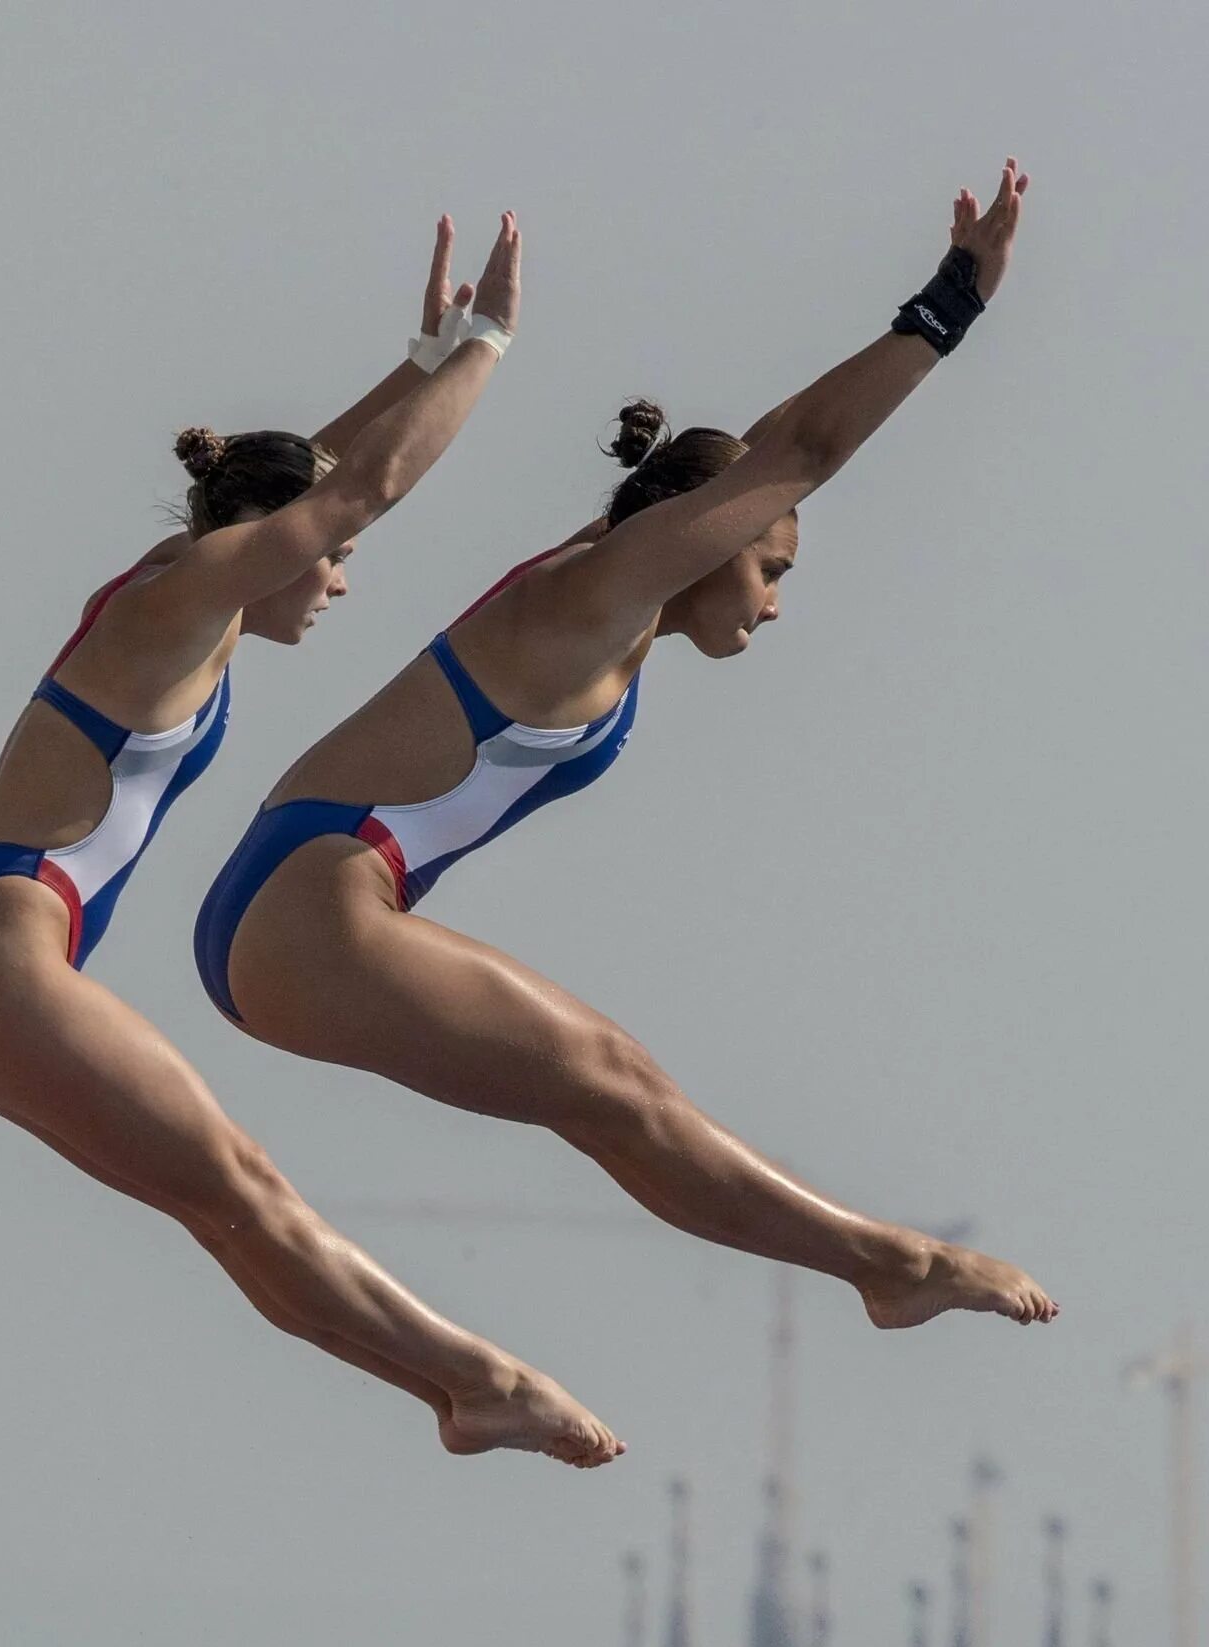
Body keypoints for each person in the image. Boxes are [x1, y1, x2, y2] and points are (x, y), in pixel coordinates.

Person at [196, 163, 1056, 1337]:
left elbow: (753, 452)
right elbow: (798, 447)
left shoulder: (614, 581)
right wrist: (952, 303)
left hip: (304, 904)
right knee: (614, 1084)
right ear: (705, 544)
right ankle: (885, 1264)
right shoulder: (601, 593)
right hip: (313, 905)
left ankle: (878, 1265)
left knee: (610, 1092)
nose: (774, 602)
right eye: (769, 568)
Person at [0, 215, 620, 1469]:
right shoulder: (179, 601)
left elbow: (316, 484)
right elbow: (352, 488)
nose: (341, 574)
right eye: (328, 558)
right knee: (239, 1184)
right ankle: (478, 1379)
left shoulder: (182, 595)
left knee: (225, 1203)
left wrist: (426, 353)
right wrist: (489, 346)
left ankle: (458, 1390)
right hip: (2, 947)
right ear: (266, 543)